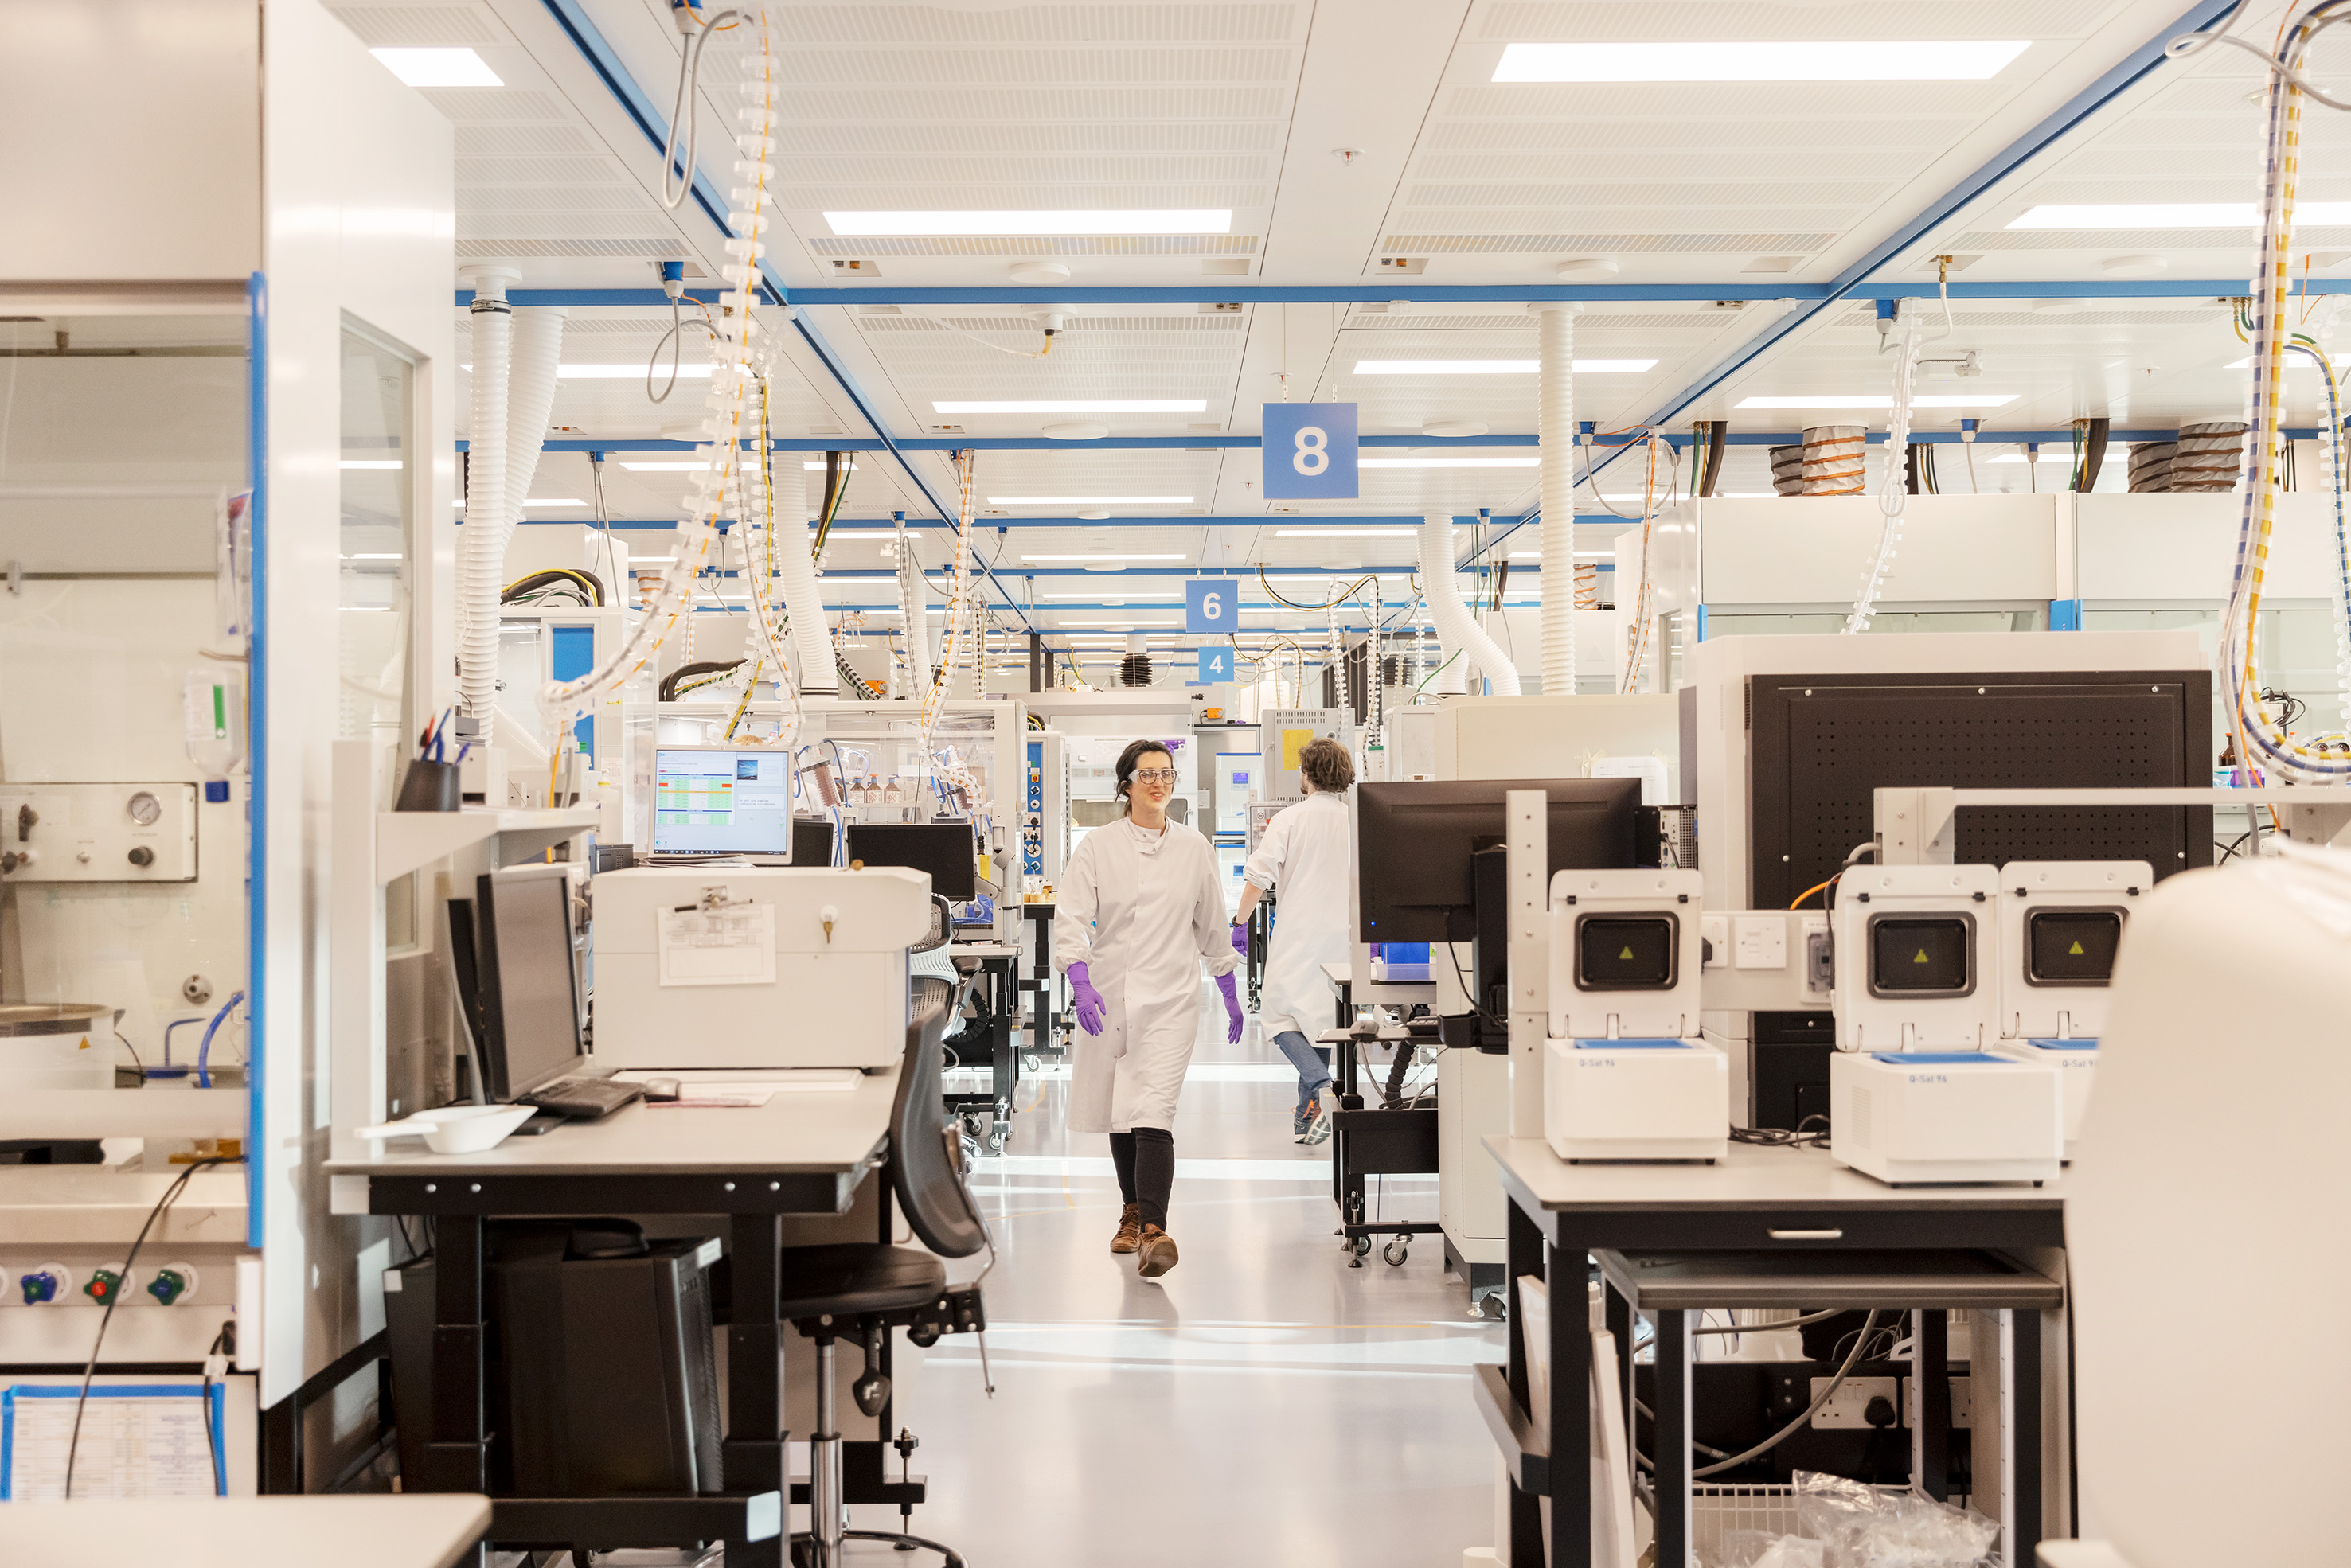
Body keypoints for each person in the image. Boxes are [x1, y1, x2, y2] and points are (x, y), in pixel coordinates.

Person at [1055, 739, 1244, 1279]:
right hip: (1109, 994)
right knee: (1122, 1103)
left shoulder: (1193, 847)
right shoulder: (1097, 846)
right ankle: (1131, 1211)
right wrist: (1079, 978)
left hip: (1172, 998)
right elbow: (1071, 916)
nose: (1157, 783)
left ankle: (1155, 1230)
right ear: (1126, 784)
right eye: (1146, 774)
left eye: (1165, 774)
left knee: (1152, 1108)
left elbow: (1211, 924)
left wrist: (1229, 994)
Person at [1231, 737, 1353, 1145]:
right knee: (1321, 1021)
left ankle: (1321, 1085)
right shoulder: (1357, 820)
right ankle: (1306, 1115)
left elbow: (1258, 877)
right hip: (1346, 938)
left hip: (1299, 934)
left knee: (1278, 1018)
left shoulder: (1291, 818)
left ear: (1307, 775)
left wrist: (1239, 922)